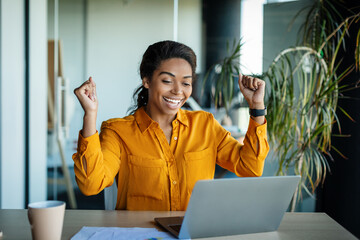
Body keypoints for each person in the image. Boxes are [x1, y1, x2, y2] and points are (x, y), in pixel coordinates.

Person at [72, 40, 269, 211]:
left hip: (194, 233)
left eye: (186, 83)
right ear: (147, 80)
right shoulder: (118, 132)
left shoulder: (205, 125)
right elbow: (90, 184)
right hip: (140, 234)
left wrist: (257, 107)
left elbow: (250, 167)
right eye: (167, 81)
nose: (177, 91)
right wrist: (90, 114)